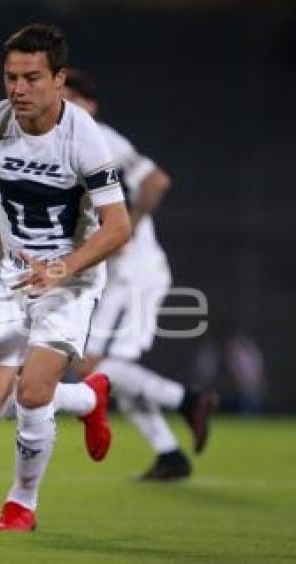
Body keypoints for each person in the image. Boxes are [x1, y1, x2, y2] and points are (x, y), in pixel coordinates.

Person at [0, 24, 131, 532]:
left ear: (59, 79)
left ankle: (21, 503)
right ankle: (89, 397)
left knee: (35, 391)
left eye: (32, 78)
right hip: (10, 277)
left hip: (70, 279)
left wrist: (61, 270)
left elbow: (118, 226)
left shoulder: (84, 137)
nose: (18, 89)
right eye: (10, 77)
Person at [61, 70, 217, 480]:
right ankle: (170, 454)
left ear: (90, 105)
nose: (64, 105)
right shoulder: (66, 144)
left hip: (134, 272)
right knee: (112, 371)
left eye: (73, 98)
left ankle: (187, 398)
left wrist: (127, 225)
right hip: (115, 273)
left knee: (93, 366)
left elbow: (155, 181)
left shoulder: (101, 138)